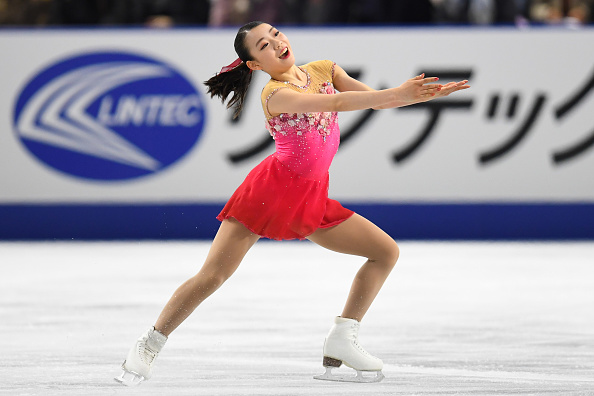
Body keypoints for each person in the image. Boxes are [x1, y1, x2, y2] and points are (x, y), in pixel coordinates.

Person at [115, 20, 470, 386]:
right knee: (213, 276)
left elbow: (372, 99)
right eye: (264, 46)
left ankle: (342, 339)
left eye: (275, 34)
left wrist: (412, 96)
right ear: (254, 64)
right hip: (269, 193)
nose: (277, 43)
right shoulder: (275, 93)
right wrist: (396, 93)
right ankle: (148, 345)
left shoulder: (324, 69)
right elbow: (340, 102)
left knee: (385, 252)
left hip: (310, 196)